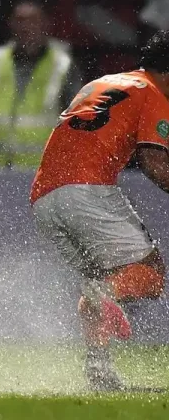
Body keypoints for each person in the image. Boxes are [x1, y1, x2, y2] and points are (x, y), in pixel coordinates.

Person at [30, 29, 169, 390]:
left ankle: (99, 371)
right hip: (87, 190)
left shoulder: (102, 82)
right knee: (149, 272)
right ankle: (105, 296)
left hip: (44, 196)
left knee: (97, 279)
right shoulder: (153, 92)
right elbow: (156, 164)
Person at [0, 0, 83, 169]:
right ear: (11, 24)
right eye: (20, 21)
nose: (26, 27)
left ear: (46, 24)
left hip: (42, 170)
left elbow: (76, 122)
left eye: (33, 20)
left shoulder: (62, 64)